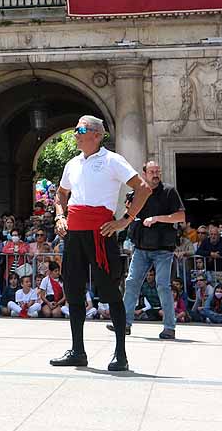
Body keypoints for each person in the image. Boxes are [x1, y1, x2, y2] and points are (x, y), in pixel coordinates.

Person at [51, 116, 154, 372]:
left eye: (81, 129)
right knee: (73, 292)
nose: (75, 133)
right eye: (75, 129)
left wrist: (125, 221)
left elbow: (143, 188)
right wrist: (60, 216)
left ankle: (121, 354)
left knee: (110, 292)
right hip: (73, 233)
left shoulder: (112, 160)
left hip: (101, 233)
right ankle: (78, 351)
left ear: (97, 134)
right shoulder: (72, 163)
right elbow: (61, 194)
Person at [117, 161, 185, 340]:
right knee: (131, 283)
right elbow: (130, 217)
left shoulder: (169, 191)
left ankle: (169, 327)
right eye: (152, 171)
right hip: (141, 248)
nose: (155, 174)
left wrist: (157, 218)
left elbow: (180, 216)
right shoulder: (139, 193)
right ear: (145, 173)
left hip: (163, 249)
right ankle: (125, 324)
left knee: (163, 286)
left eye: (158, 171)